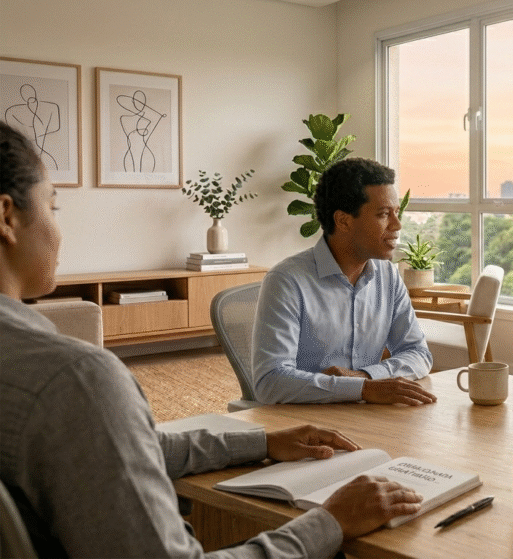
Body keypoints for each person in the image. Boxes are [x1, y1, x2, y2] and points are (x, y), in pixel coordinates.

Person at [0, 122, 424, 558]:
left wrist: (260, 442)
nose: (59, 230)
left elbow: (123, 448)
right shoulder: (78, 380)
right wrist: (329, 523)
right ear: (7, 217)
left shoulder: (43, 381)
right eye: (53, 206)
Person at [252, 157, 437, 405]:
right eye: (384, 214)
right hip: (303, 424)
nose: (397, 224)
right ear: (343, 221)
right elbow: (271, 382)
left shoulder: (388, 275)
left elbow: (418, 353)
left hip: (367, 415)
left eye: (397, 212)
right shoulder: (287, 282)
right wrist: (360, 389)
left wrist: (364, 378)